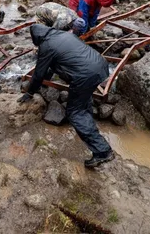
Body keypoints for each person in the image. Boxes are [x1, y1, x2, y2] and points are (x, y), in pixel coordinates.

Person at [17, 24, 114, 168]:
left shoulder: (46, 45)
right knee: (83, 102)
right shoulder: (64, 34)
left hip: (85, 76)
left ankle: (102, 151)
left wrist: (30, 92)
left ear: (37, 38)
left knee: (74, 112)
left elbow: (38, 73)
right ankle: (88, 126)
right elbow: (55, 63)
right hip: (101, 66)